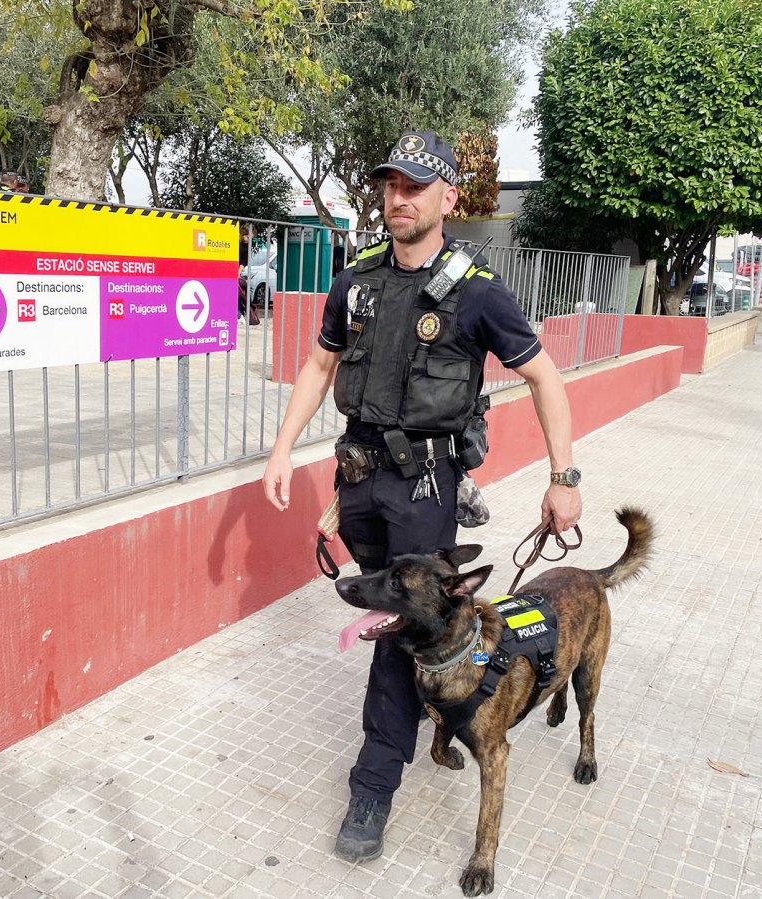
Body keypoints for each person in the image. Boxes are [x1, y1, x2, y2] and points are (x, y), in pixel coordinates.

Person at [261, 131, 582, 863]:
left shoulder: (477, 291)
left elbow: (546, 378)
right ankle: (437, 718)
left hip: (425, 490)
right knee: (389, 624)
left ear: (448, 198)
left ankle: (373, 784)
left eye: (415, 186)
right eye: (390, 185)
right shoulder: (358, 280)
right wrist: (285, 449)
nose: (398, 198)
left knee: (398, 634)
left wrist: (564, 479)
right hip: (361, 481)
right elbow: (319, 366)